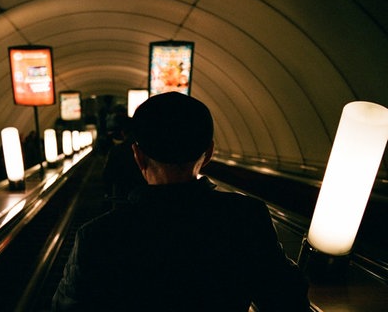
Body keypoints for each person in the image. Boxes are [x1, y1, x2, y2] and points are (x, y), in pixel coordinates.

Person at [52, 92, 310, 311]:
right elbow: (287, 300)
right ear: (208, 153)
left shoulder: (97, 236)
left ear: (138, 156)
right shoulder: (246, 217)